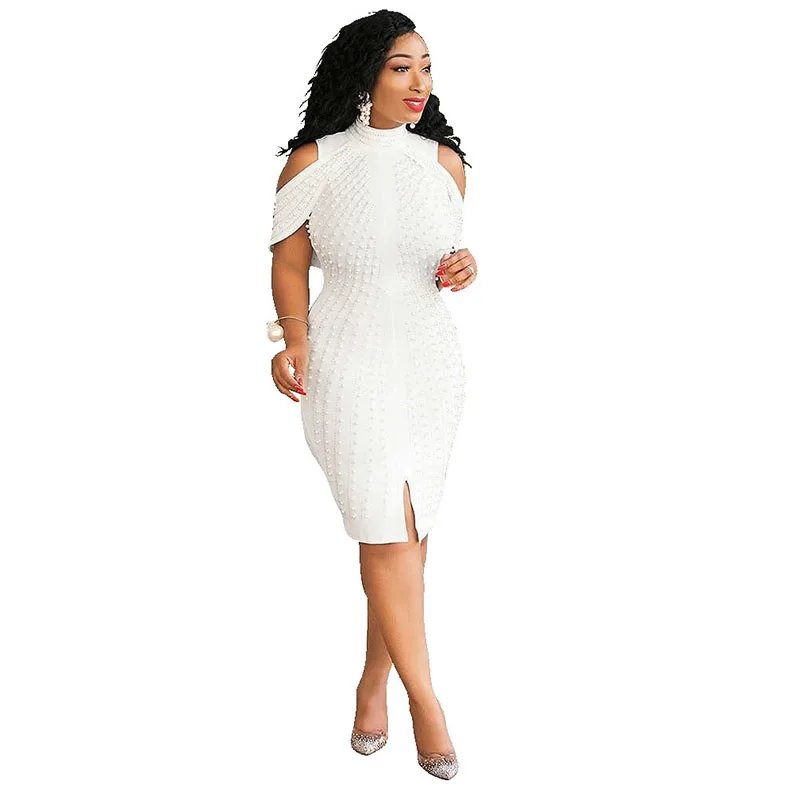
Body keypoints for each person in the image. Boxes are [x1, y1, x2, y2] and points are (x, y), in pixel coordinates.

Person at [267, 10, 478, 780]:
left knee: (406, 534)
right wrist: (293, 339)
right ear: (365, 74)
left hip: (428, 362)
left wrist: (464, 267)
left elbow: (441, 258)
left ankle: (371, 685)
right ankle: (427, 702)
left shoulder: (444, 162)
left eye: (426, 66)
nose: (419, 81)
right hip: (347, 360)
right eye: (400, 66)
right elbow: (290, 263)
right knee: (387, 535)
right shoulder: (316, 160)